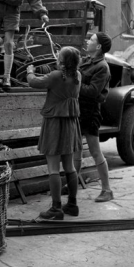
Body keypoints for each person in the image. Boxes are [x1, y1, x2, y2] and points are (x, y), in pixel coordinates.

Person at [27, 46, 82, 220]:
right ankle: (72, 205)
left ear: (63, 61)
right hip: (71, 125)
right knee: (69, 167)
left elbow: (34, 82)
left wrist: (30, 71)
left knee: (53, 168)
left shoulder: (56, 76)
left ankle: (56, 208)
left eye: (59, 57)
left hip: (54, 125)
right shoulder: (77, 76)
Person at [72, 32, 114, 203]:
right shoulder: (87, 61)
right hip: (78, 110)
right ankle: (73, 183)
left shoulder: (102, 67)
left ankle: (107, 190)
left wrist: (75, 81)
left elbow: (92, 92)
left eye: (91, 40)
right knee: (76, 150)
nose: (87, 41)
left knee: (95, 152)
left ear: (98, 47)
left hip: (90, 112)